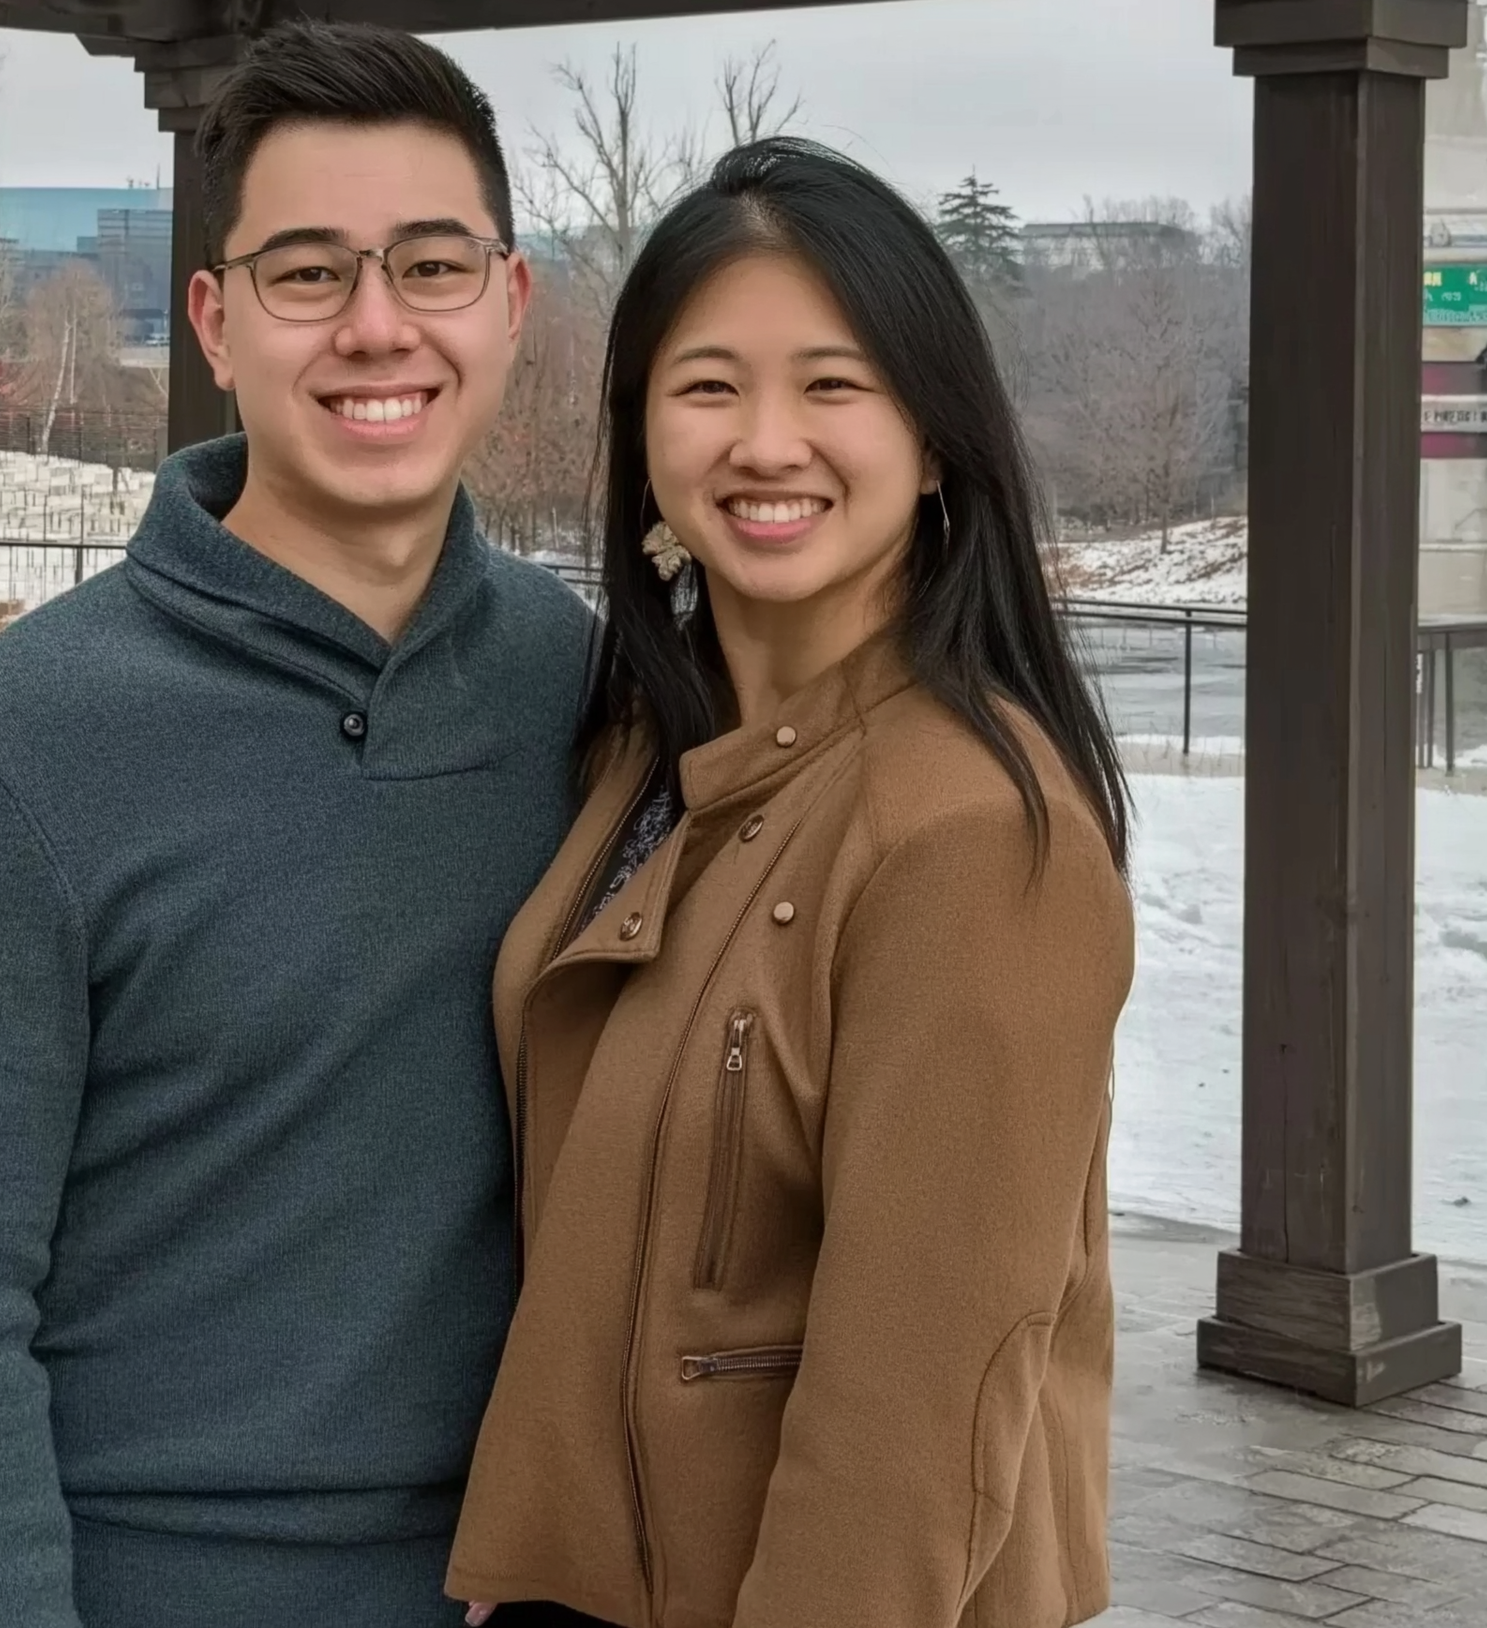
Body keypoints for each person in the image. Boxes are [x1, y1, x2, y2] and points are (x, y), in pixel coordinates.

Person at [0, 21, 595, 1628]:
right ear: (217, 320)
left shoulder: (587, 693)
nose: (378, 327)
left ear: (511, 305)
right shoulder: (12, 755)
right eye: (308, 273)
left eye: (434, 266)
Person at [450, 138, 1135, 1628]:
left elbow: (919, 1406)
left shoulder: (970, 833)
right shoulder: (651, 746)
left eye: (834, 385)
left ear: (936, 437)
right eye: (708, 387)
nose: (767, 442)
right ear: (642, 438)